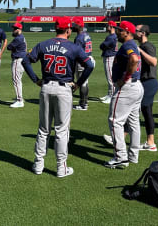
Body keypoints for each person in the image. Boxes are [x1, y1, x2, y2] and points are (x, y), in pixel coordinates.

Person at [21, 16, 94, 178]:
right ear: (68, 30)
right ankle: (61, 168)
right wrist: (78, 83)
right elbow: (89, 65)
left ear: (55, 28)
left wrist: (36, 80)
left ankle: (38, 164)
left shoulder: (44, 44)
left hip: (46, 87)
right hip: (64, 89)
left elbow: (25, 61)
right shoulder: (73, 47)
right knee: (61, 130)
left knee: (43, 129)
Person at [105, 21, 144, 168]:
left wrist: (125, 78)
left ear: (127, 32)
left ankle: (120, 157)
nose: (117, 32)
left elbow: (133, 59)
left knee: (115, 121)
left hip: (127, 87)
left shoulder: (128, 45)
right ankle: (133, 156)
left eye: (119, 30)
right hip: (137, 86)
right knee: (133, 123)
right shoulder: (132, 45)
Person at [134, 24, 158, 151]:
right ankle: (150, 142)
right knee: (145, 112)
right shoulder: (142, 46)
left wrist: (140, 51)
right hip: (144, 82)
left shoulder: (147, 46)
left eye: (136, 31)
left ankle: (150, 143)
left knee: (139, 110)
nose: (133, 32)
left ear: (142, 33)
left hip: (149, 82)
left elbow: (154, 62)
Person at [72, 17, 95, 111]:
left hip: (82, 61)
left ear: (79, 26)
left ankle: (83, 104)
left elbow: (76, 53)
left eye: (75, 25)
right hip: (89, 58)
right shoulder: (86, 34)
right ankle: (85, 103)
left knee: (82, 83)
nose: (73, 26)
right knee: (85, 82)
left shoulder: (79, 37)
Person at [6, 22, 27, 108]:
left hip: (18, 61)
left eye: (15, 29)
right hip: (22, 60)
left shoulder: (18, 38)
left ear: (19, 30)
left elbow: (8, 47)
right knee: (18, 80)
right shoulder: (22, 37)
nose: (13, 30)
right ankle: (19, 98)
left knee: (16, 81)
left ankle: (19, 100)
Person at [99, 21, 118, 104]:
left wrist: (102, 45)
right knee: (109, 78)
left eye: (107, 26)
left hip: (110, 57)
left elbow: (102, 46)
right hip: (110, 56)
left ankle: (112, 96)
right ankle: (109, 94)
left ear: (111, 26)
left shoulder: (111, 37)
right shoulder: (113, 36)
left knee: (110, 78)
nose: (106, 27)